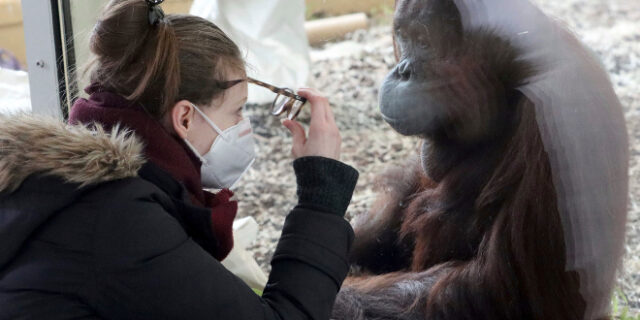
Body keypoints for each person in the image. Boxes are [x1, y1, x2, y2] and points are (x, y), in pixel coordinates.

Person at [0, 0, 358, 319]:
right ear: (185, 118)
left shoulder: (71, 184)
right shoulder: (121, 220)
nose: (242, 126)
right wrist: (320, 196)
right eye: (237, 112)